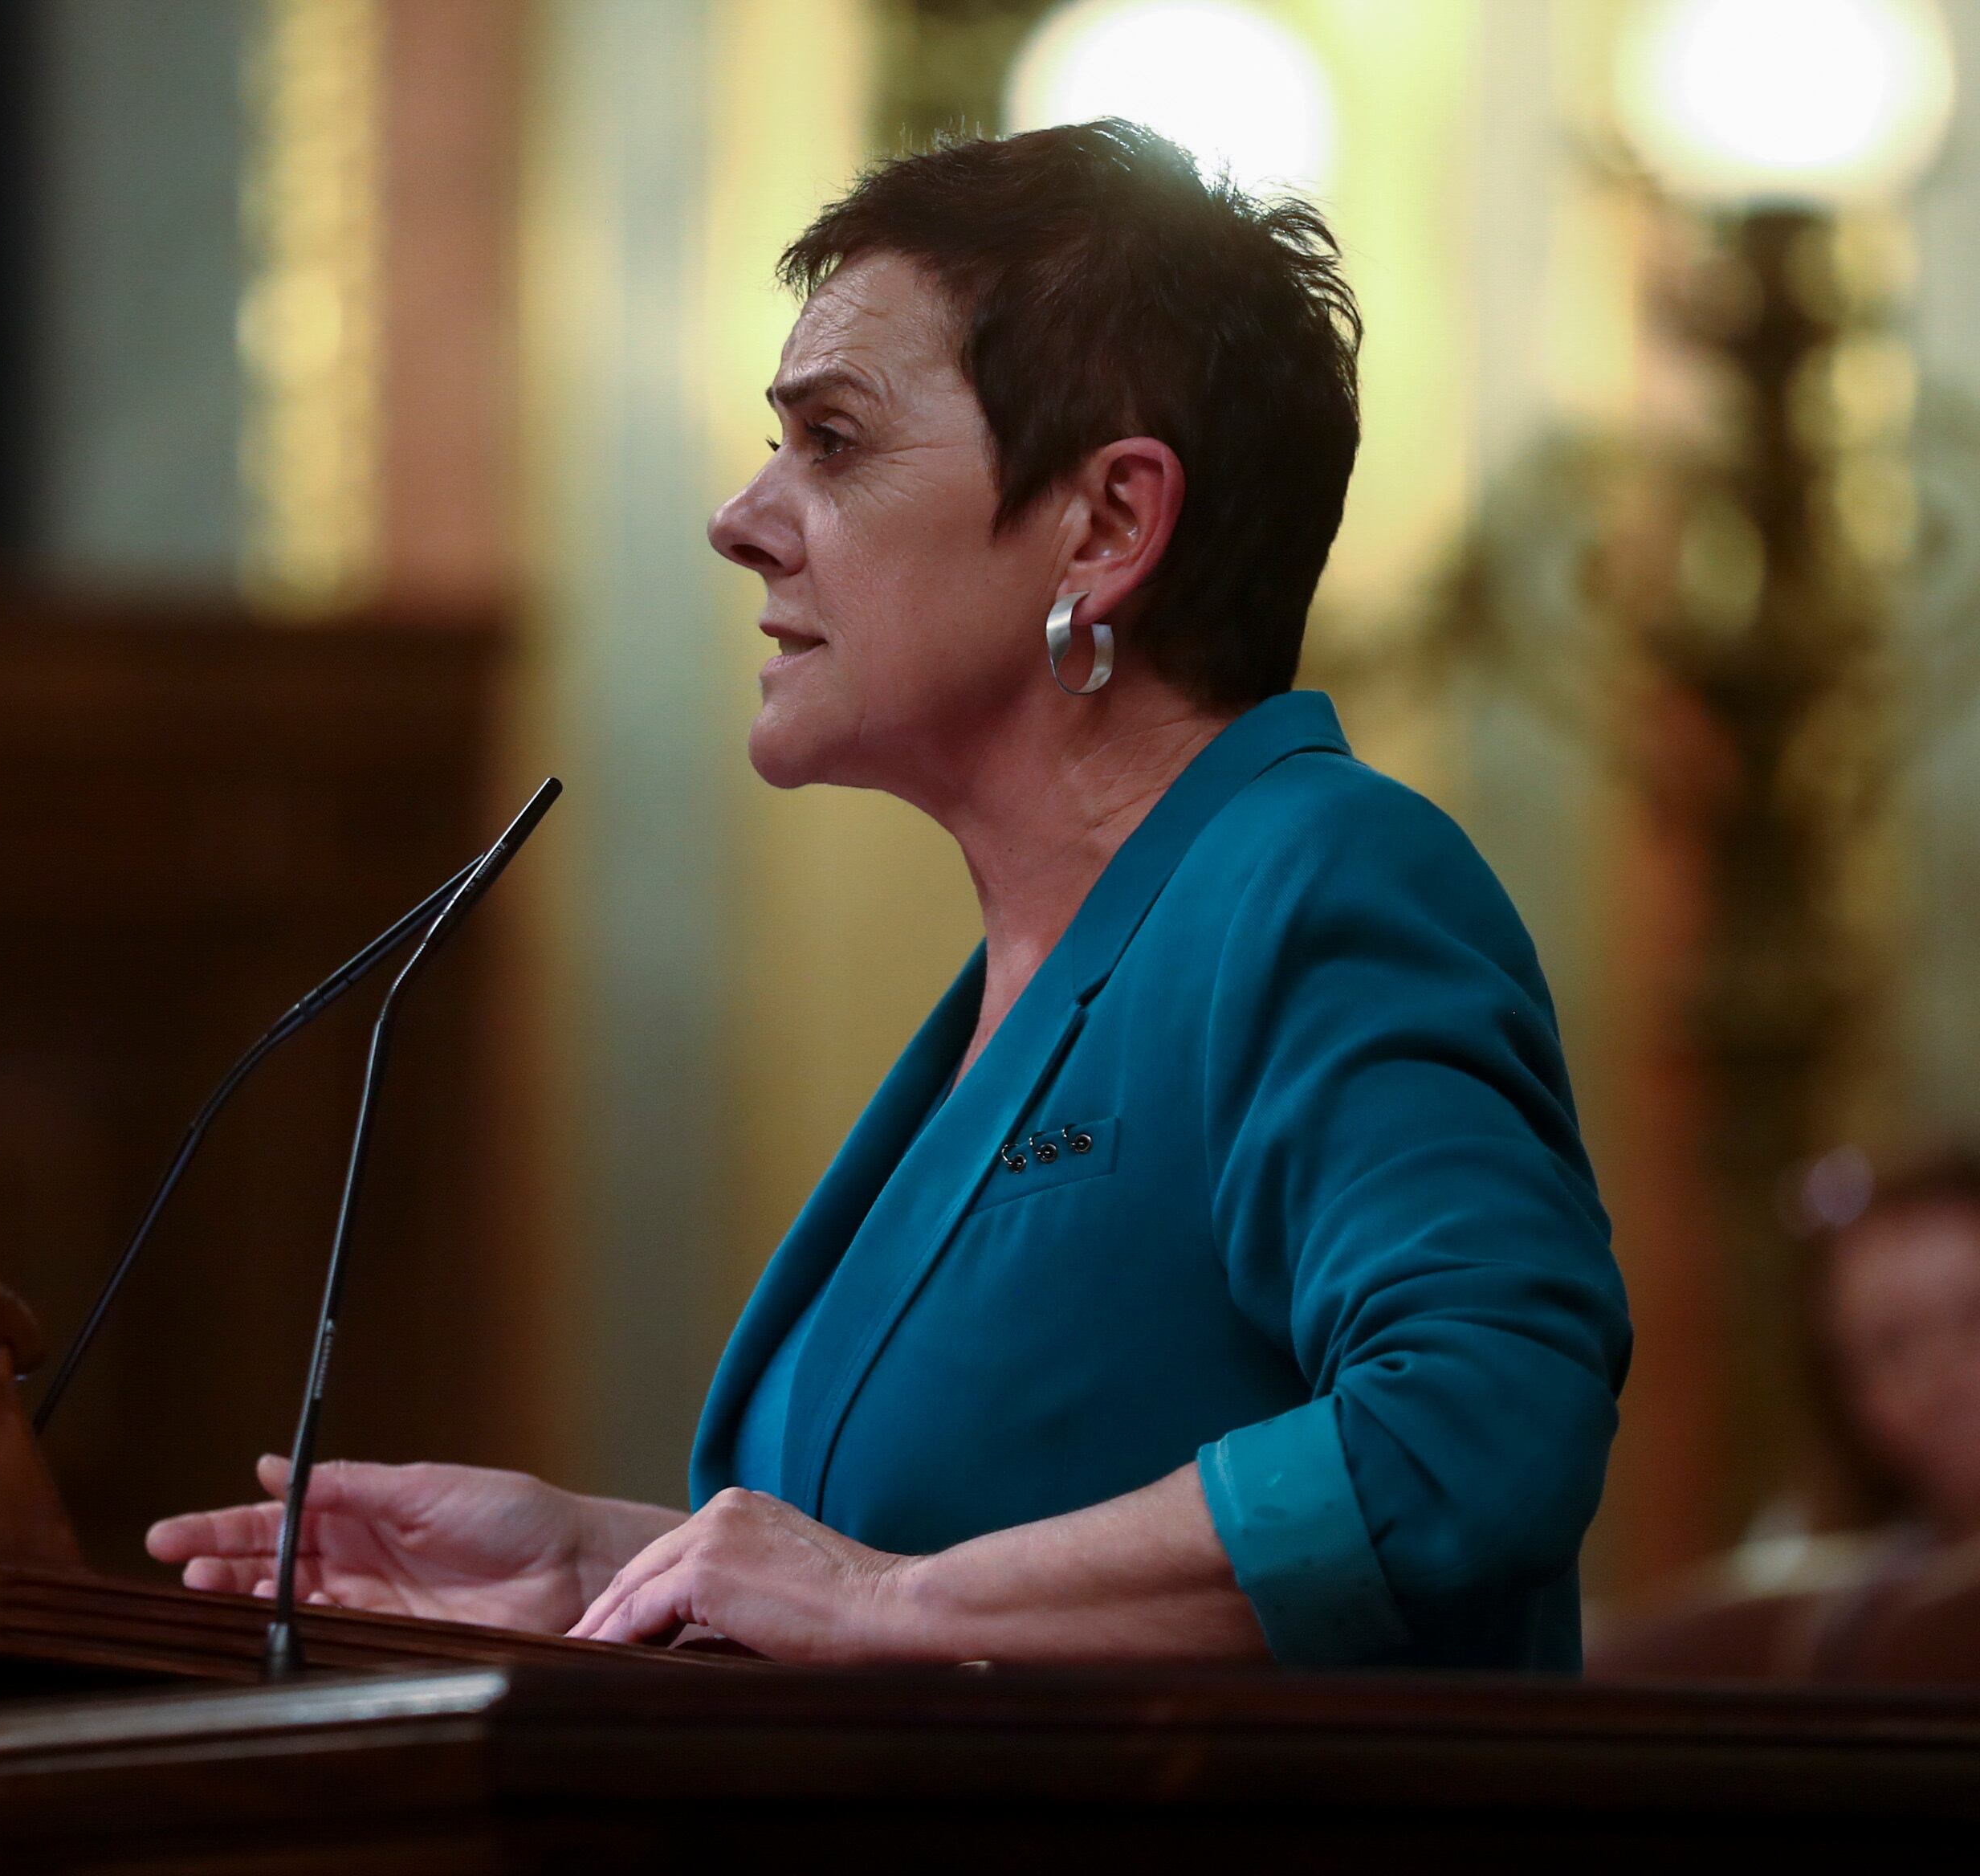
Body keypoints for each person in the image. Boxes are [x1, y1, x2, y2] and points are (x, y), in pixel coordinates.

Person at [150, 122, 1632, 1670]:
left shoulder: (1315, 880)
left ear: (1107, 524)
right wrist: (618, 1571)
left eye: (832, 442)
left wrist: (877, 1606)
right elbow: (949, 1552)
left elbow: (1475, 1428)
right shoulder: (1035, 977)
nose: (739, 517)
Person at [1594, 1151, 1980, 1680]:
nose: (1947, 1375)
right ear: (1845, 1398)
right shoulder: (1813, 1567)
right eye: (1892, 1347)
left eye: (1974, 1315)